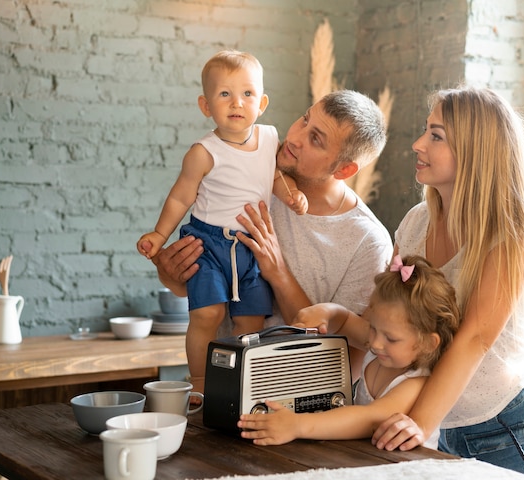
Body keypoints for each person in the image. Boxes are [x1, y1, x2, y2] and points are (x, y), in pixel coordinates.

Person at [370, 86, 524, 479]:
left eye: (436, 136)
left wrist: (420, 423)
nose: (417, 144)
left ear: (475, 151)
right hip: (447, 426)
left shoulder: (507, 239)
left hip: (508, 430)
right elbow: (397, 322)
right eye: (426, 131)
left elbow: (474, 337)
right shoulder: (415, 223)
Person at [146, 89, 394, 392]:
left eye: (316, 139)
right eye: (304, 119)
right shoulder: (252, 179)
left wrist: (278, 273)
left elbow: (340, 369)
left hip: (292, 414)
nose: (295, 138)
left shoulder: (367, 242)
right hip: (217, 392)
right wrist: (172, 274)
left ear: (344, 169)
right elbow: (207, 283)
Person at [137, 50, 308, 388]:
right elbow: (180, 196)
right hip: (209, 244)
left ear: (261, 104)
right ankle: (200, 382)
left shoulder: (270, 138)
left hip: (252, 245)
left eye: (247, 94)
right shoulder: (203, 152)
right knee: (207, 315)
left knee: (251, 320)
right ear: (206, 106)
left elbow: (272, 175)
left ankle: (241, 385)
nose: (237, 103)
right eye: (225, 94)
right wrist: (159, 233)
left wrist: (289, 194)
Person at [237, 255, 459, 447]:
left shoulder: (416, 383)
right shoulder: (382, 348)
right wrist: (327, 312)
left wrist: (297, 425)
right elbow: (344, 321)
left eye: (390, 338)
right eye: (373, 328)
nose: (375, 343)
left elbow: (370, 419)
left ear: (428, 343)